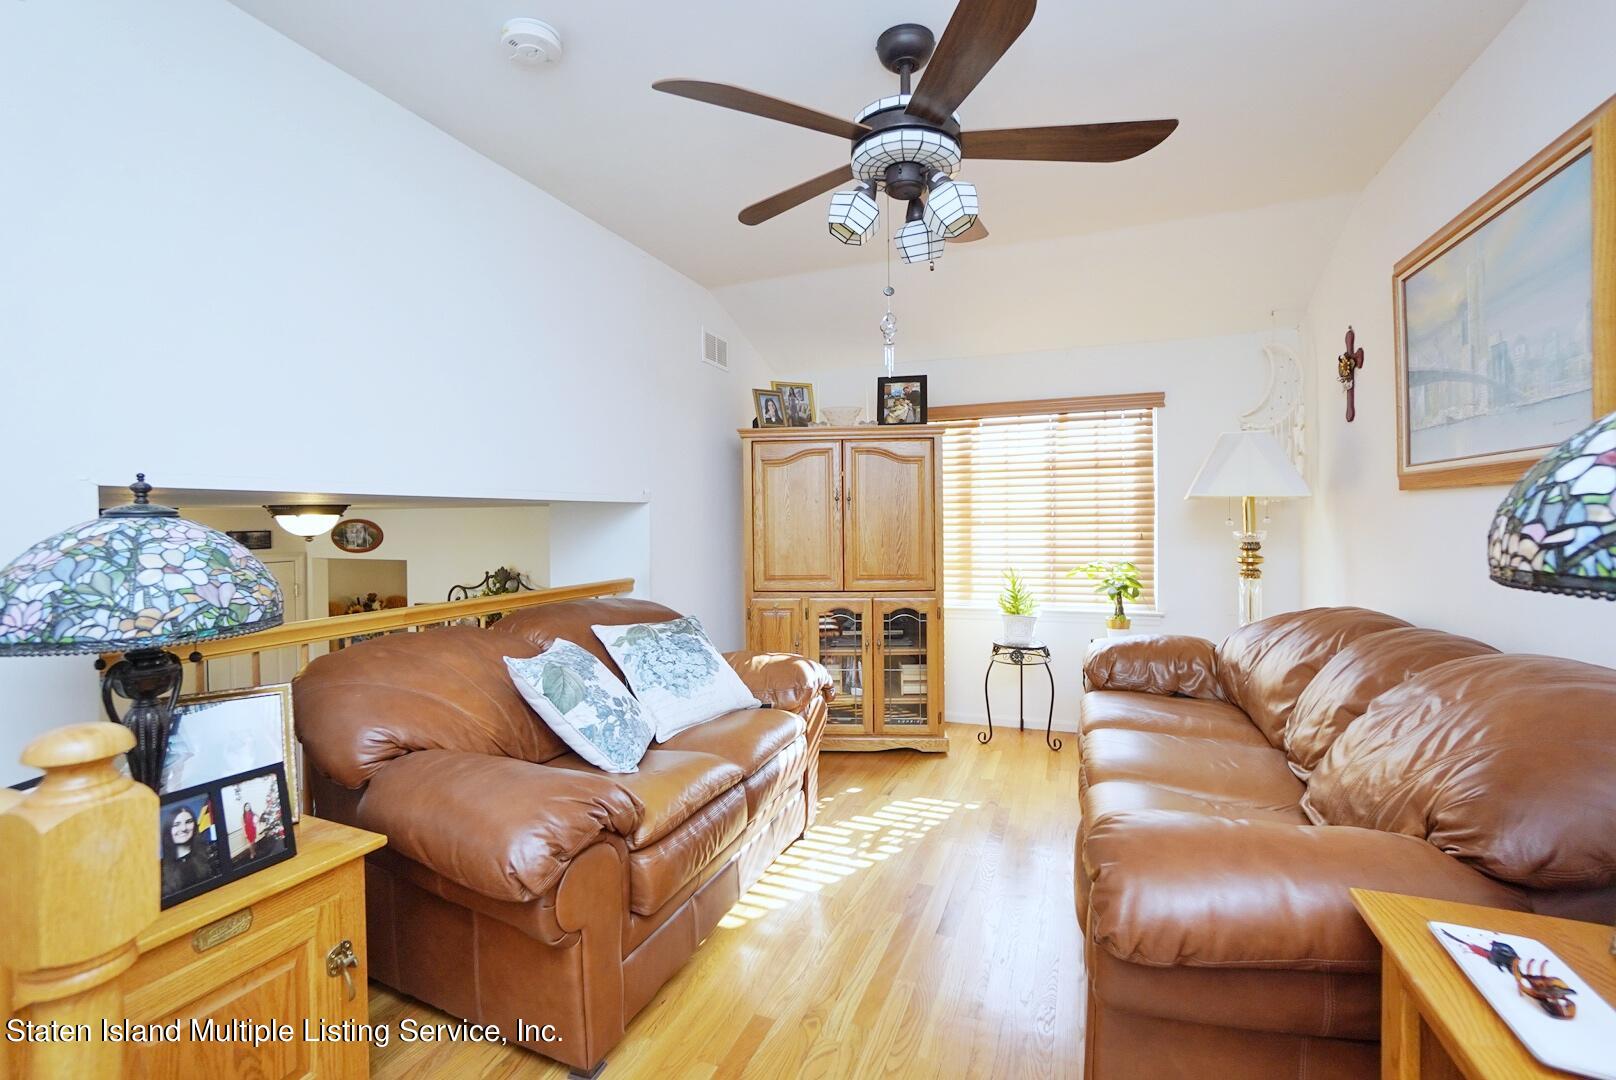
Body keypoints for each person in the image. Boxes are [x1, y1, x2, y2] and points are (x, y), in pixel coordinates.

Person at [161, 804, 217, 896]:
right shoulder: (162, 870)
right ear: (168, 829)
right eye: (176, 824)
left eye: (188, 822)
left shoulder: (207, 854)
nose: (183, 828)